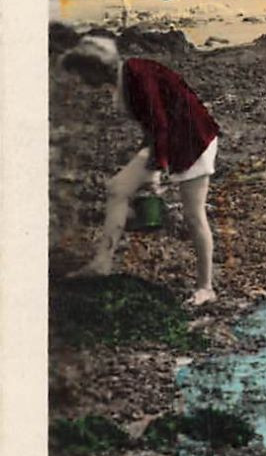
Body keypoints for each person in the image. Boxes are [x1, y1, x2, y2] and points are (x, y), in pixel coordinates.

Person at [60, 36, 220, 305]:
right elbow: (152, 124)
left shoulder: (136, 73)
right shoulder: (126, 75)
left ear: (96, 68)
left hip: (193, 140)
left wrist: (156, 169)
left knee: (194, 216)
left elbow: (161, 123)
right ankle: (102, 263)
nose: (81, 81)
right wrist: (151, 164)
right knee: (117, 189)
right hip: (167, 141)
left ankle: (206, 288)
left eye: (81, 73)